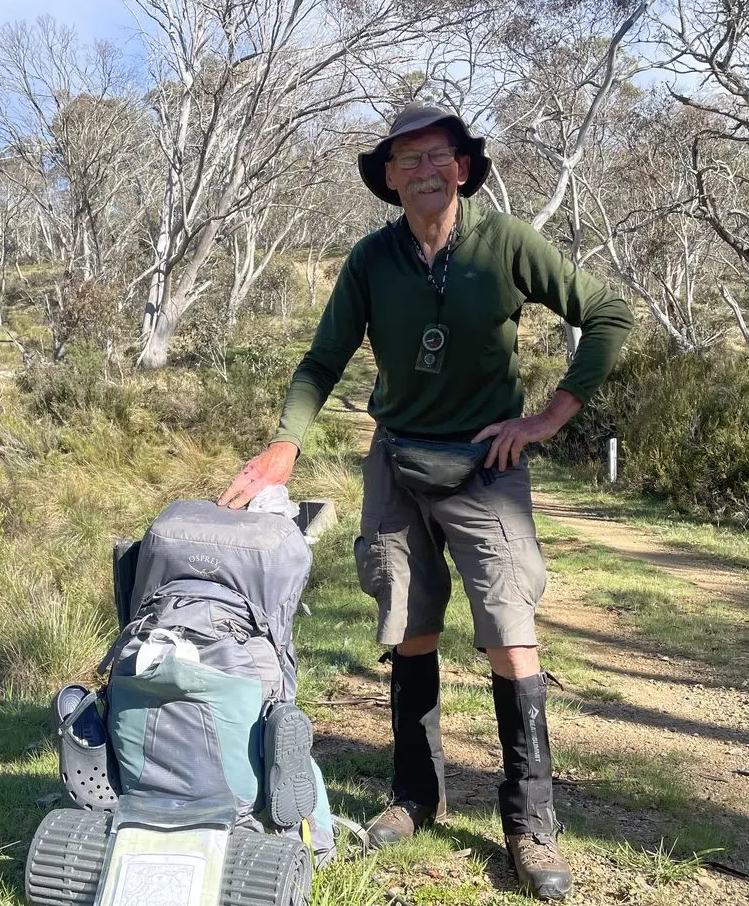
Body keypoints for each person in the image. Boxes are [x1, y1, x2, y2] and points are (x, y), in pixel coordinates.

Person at [218, 104, 633, 901]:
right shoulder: (372, 260)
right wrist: (284, 444)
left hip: (487, 462)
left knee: (510, 627)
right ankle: (416, 794)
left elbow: (608, 313)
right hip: (399, 458)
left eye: (437, 155)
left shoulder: (507, 243)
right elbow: (323, 359)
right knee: (408, 622)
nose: (424, 171)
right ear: (389, 178)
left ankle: (530, 819)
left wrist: (548, 416)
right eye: (406, 160)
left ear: (463, 168)